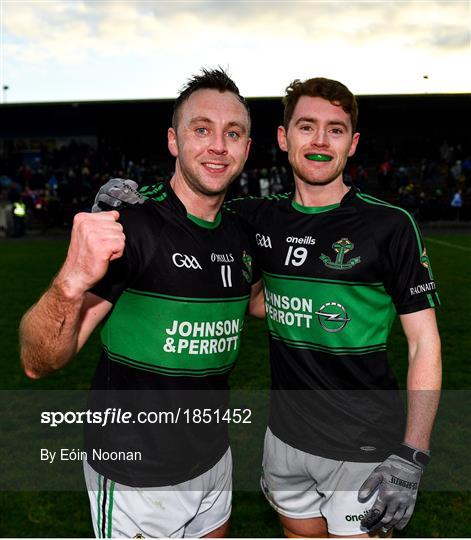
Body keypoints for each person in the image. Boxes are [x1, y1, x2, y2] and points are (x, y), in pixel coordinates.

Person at [94, 77, 442, 538]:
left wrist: (412, 452)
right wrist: (119, 208)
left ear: (353, 143)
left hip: (364, 445)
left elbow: (425, 345)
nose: (319, 141)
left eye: (335, 130)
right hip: (284, 441)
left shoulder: (391, 226)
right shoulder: (254, 217)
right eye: (306, 127)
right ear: (283, 138)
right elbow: (239, 281)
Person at [19, 68, 261, 538]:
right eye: (201, 129)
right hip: (136, 476)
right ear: (173, 141)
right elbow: (38, 361)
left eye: (233, 133)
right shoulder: (132, 227)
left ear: (247, 149)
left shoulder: (241, 231)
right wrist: (70, 279)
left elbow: (252, 301)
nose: (218, 146)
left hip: (214, 459)